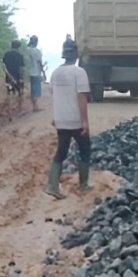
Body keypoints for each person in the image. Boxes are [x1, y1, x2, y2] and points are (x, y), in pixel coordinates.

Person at [45, 35, 91, 199]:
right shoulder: (79, 73)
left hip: (61, 120)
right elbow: (81, 97)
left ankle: (52, 185)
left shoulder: (55, 73)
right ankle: (84, 184)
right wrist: (84, 121)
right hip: (75, 120)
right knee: (85, 149)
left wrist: (56, 116)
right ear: (76, 55)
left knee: (61, 152)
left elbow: (56, 95)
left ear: (63, 55)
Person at [2, 39, 25, 114]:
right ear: (18, 47)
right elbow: (22, 68)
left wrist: (7, 74)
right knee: (20, 92)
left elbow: (3, 66)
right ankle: (20, 109)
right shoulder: (20, 55)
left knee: (10, 93)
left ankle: (9, 110)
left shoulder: (6, 54)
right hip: (17, 76)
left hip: (8, 77)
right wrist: (22, 78)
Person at [26, 35, 45, 112]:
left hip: (28, 72)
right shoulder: (37, 51)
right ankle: (35, 106)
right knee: (36, 89)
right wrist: (43, 72)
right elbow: (39, 62)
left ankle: (34, 106)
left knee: (32, 89)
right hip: (36, 72)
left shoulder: (26, 50)